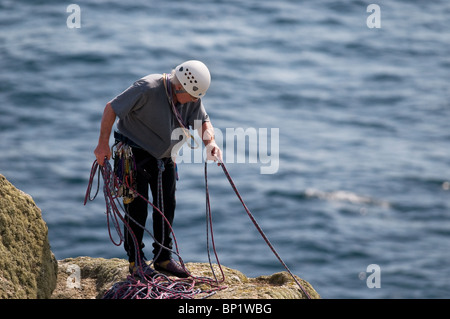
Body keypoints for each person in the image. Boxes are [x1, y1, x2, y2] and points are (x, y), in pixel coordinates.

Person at [94, 60, 222, 278]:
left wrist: (211, 144)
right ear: (179, 86)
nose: (194, 101)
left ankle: (163, 258)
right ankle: (136, 262)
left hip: (164, 158)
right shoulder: (148, 87)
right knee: (136, 209)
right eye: (192, 97)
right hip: (132, 155)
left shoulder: (190, 96)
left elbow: (203, 122)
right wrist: (103, 144)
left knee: (167, 206)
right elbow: (111, 108)